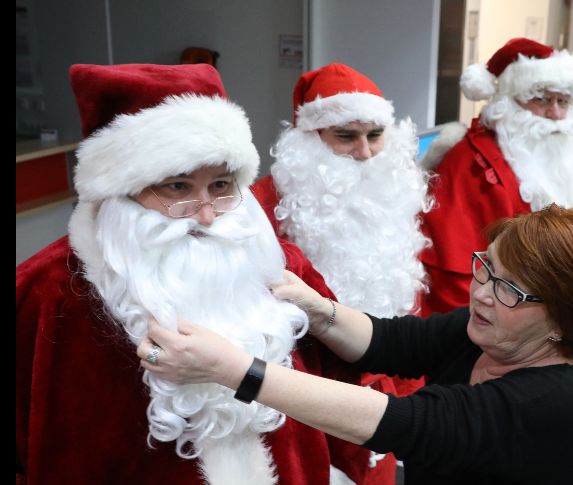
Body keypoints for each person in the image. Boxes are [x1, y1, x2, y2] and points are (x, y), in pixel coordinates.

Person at [16, 63, 372, 484]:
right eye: (178, 188)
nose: (206, 216)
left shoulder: (282, 266)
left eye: (221, 185)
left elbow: (342, 390)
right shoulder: (47, 291)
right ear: (121, 191)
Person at [138, 204, 573, 485]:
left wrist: (235, 369)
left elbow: (400, 422)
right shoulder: (492, 333)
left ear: (564, 317)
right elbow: (389, 342)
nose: (483, 292)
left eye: (509, 289)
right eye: (485, 267)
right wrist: (314, 305)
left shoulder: (563, 401)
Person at [251, 62, 433, 483]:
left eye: (375, 135)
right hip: (302, 396)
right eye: (346, 137)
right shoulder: (261, 206)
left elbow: (407, 305)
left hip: (382, 387)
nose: (366, 153)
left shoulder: (394, 196)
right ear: (309, 141)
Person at [419, 37, 573, 315]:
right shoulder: (469, 164)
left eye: (563, 101)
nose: (554, 113)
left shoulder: (562, 156)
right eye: (540, 99)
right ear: (508, 101)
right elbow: (458, 279)